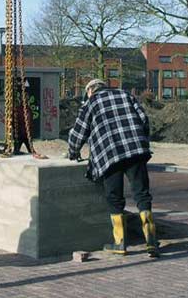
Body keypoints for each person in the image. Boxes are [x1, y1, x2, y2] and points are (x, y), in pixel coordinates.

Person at [67, 79, 160, 257]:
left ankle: (120, 243)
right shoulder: (126, 95)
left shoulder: (91, 103)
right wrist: (141, 139)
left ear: (90, 91)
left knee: (114, 197)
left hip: (110, 154)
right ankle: (151, 241)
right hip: (136, 151)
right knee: (142, 193)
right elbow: (144, 119)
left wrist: (73, 152)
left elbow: (78, 132)